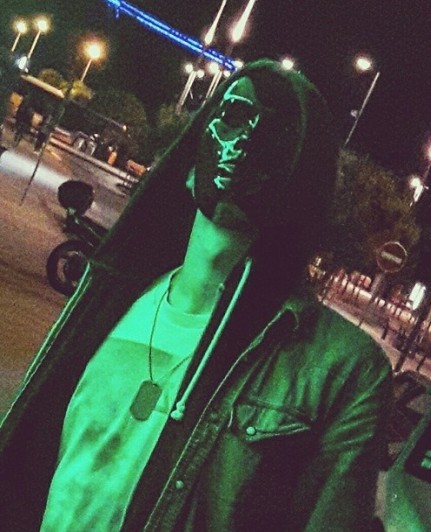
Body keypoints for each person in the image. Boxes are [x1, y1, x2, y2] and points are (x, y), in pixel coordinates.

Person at [0, 58, 392, 530]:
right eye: (233, 118)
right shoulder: (110, 299)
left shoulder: (342, 372)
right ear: (188, 166)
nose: (243, 144)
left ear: (303, 188)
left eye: (275, 138)